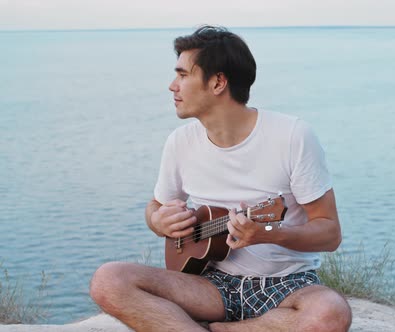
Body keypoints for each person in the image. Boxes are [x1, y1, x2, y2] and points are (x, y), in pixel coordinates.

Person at [90, 25, 352, 332]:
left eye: (183, 75)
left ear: (217, 82)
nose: (172, 86)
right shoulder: (180, 142)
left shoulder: (292, 136)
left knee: (330, 312)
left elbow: (329, 233)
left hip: (286, 285)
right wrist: (158, 221)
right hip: (209, 284)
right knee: (109, 280)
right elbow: (155, 207)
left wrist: (267, 234)